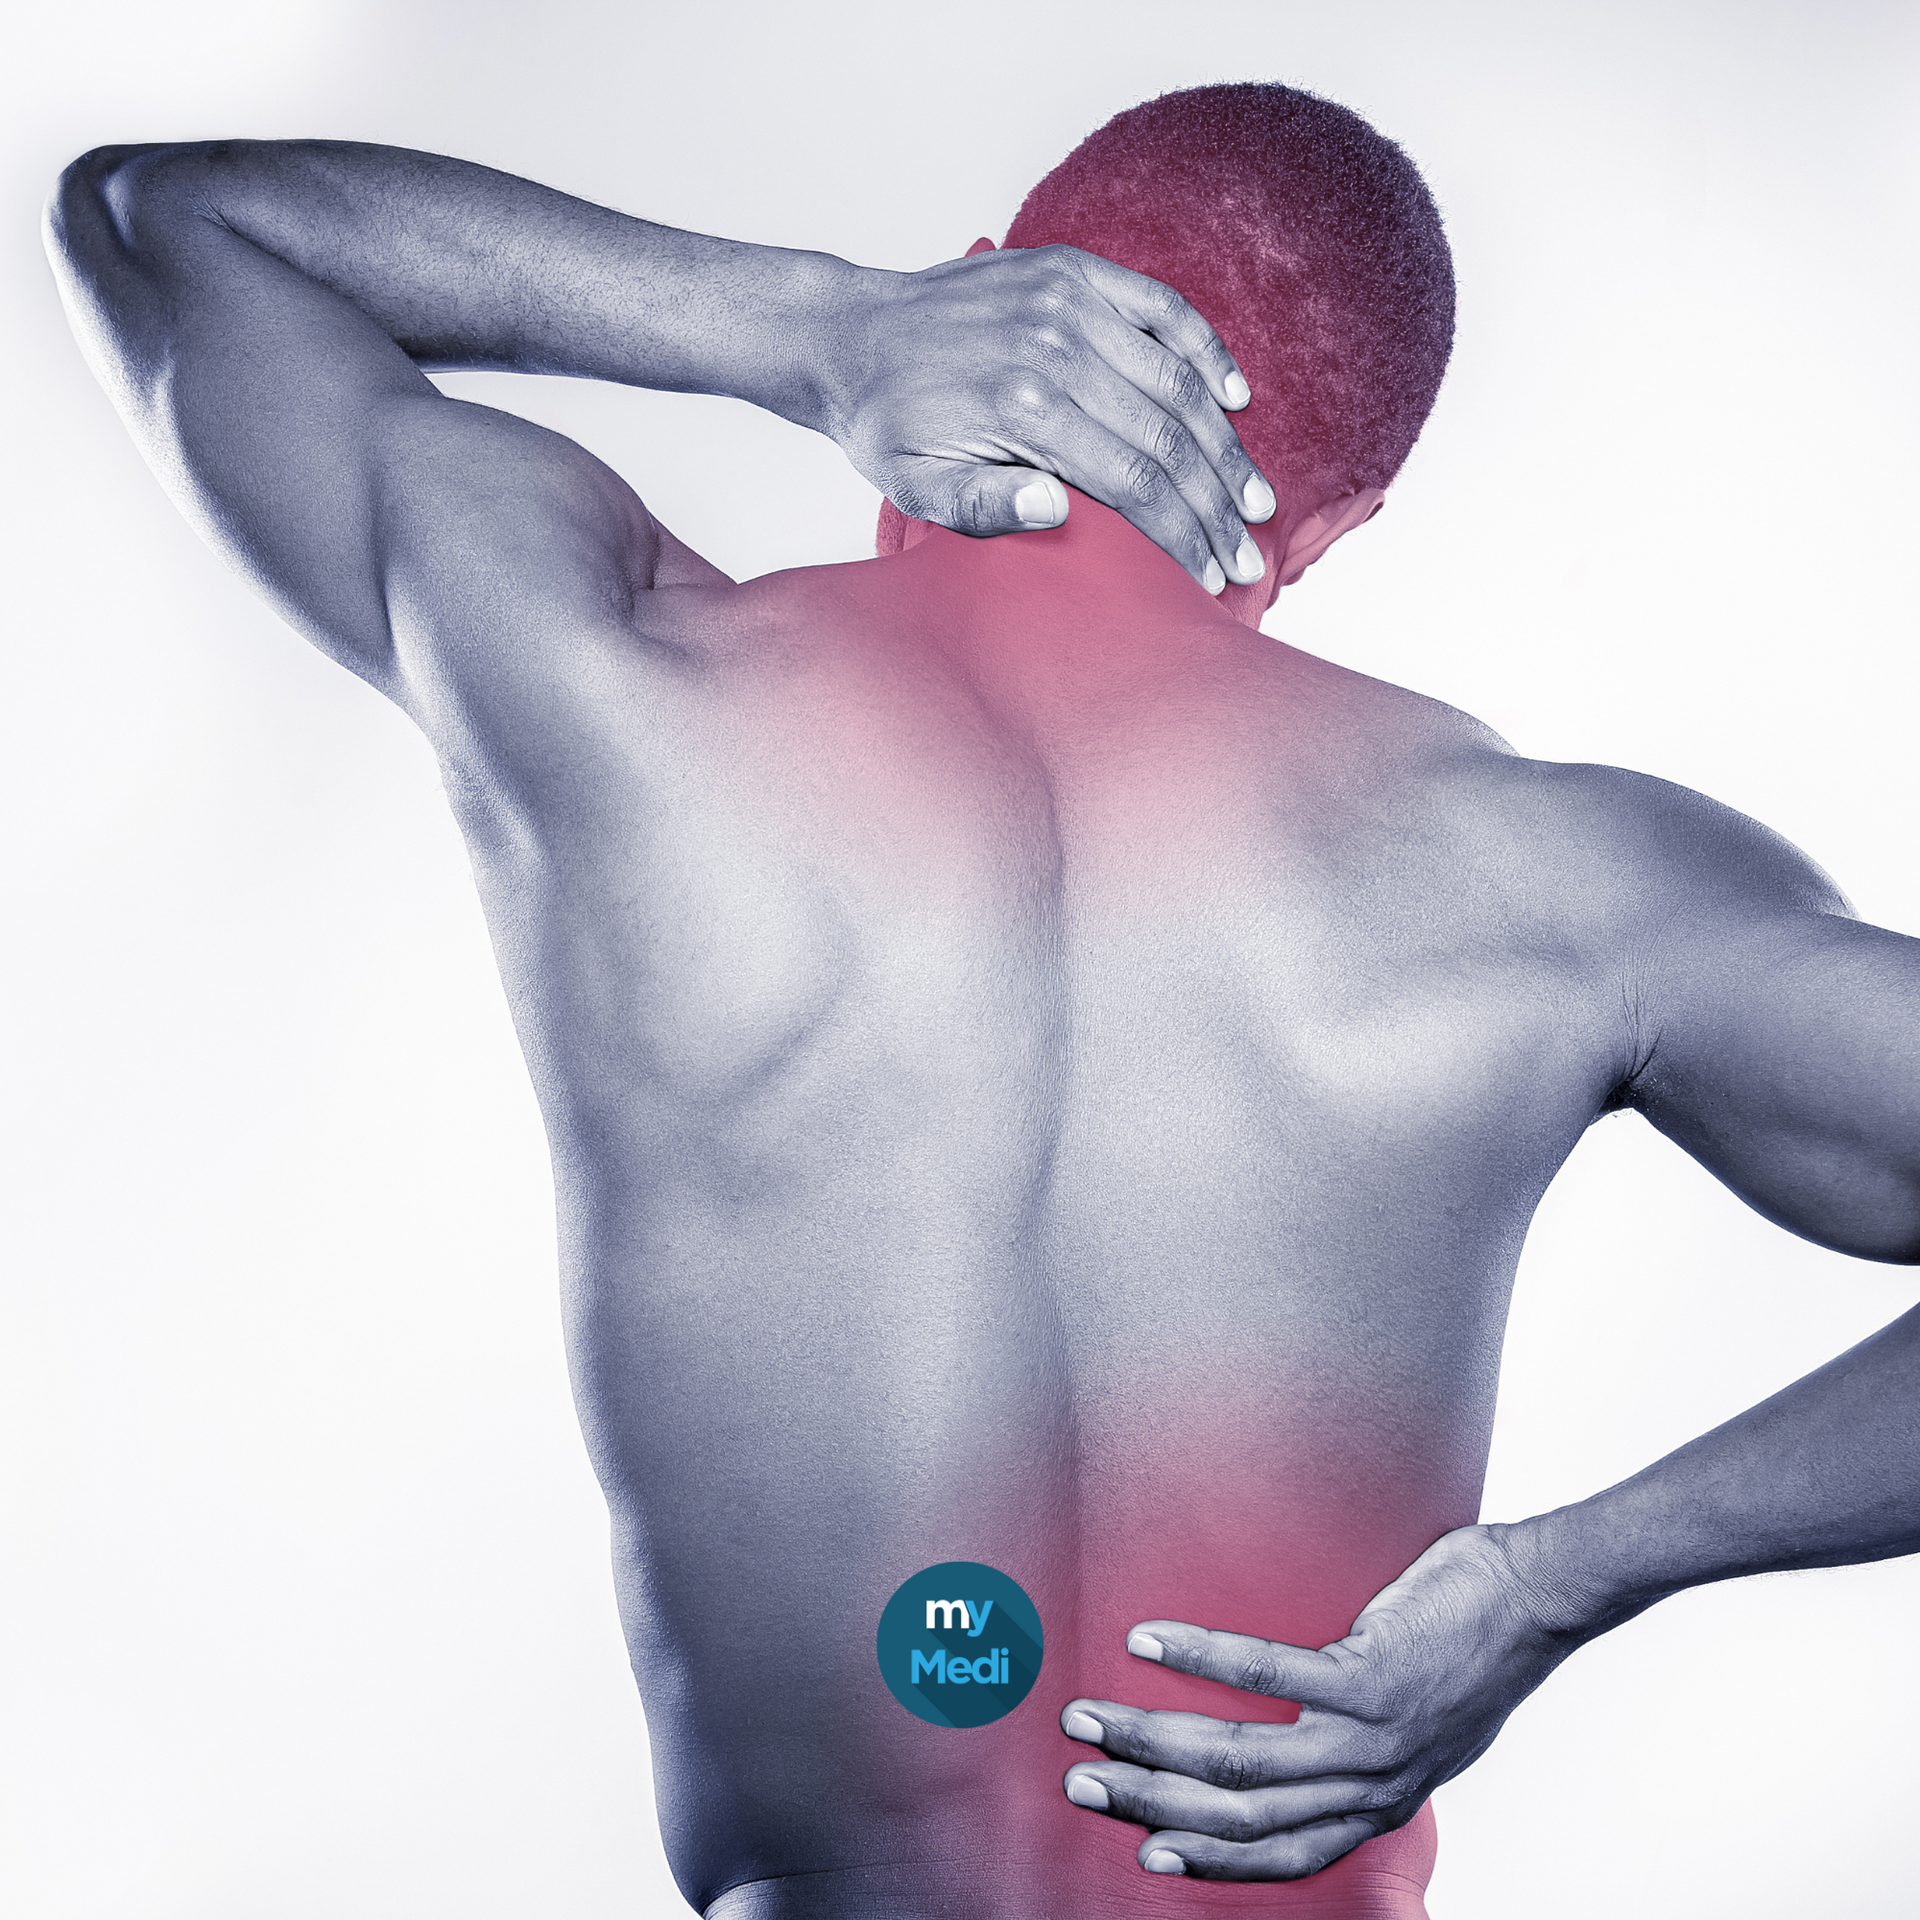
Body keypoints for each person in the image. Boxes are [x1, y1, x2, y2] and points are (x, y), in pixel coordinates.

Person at [44, 82, 1920, 1920]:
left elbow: (164, 221)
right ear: (1337, 522)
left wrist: (808, 327)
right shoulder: (1566, 886)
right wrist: (1556, 1581)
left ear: (975, 283)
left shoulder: (625, 681)